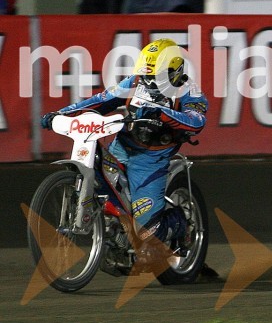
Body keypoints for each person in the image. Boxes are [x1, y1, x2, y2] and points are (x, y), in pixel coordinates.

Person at [40, 39, 208, 264]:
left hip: (152, 160)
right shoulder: (135, 82)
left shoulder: (189, 91)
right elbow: (100, 101)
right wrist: (60, 114)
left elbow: (196, 121)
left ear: (174, 71)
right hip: (121, 147)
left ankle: (181, 226)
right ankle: (111, 231)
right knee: (100, 172)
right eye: (146, 75)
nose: (148, 81)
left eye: (155, 76)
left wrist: (162, 114)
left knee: (148, 231)